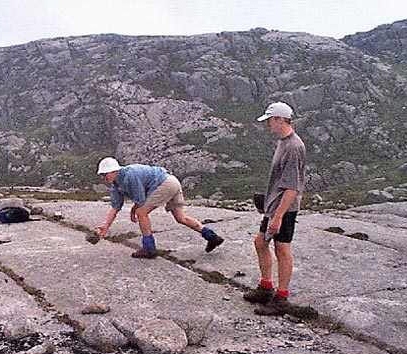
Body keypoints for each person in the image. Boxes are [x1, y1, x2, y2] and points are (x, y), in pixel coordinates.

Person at [243, 102, 306, 316]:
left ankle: (281, 297)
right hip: (274, 207)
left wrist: (278, 215)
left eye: (270, 120)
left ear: (280, 119)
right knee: (260, 243)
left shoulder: (293, 147)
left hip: (284, 209)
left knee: (282, 249)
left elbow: (292, 187)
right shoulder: (283, 143)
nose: (268, 125)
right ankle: (266, 287)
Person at [95, 157, 224, 258]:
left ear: (113, 171)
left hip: (165, 183)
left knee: (141, 213)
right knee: (181, 218)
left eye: (104, 174)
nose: (103, 178)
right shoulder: (116, 185)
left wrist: (134, 211)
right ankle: (212, 237)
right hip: (172, 182)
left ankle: (149, 248)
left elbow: (140, 200)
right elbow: (115, 208)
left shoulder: (130, 175)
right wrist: (105, 227)